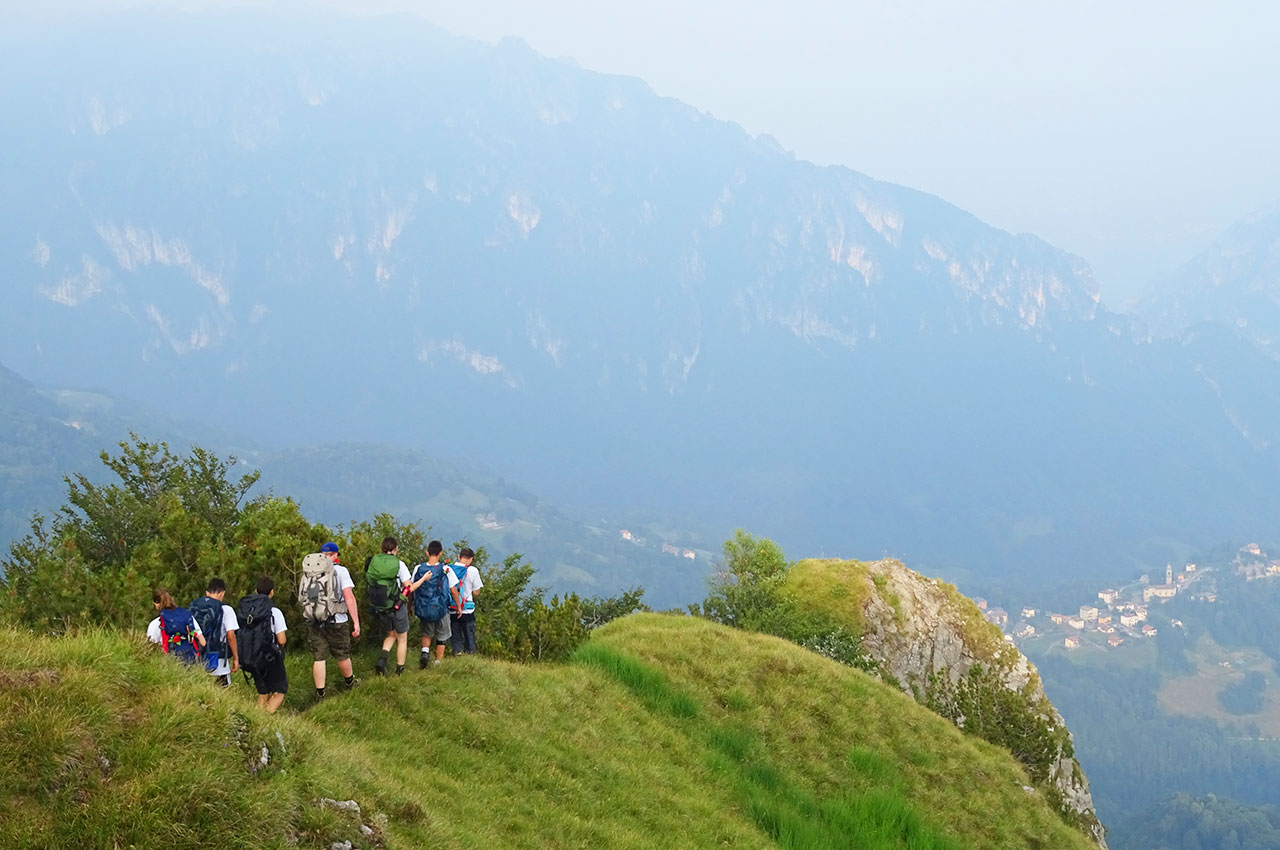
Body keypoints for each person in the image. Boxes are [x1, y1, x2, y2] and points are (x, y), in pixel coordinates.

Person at [301, 542, 361, 698]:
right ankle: (350, 683)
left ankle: (320, 694)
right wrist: (356, 622)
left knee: (319, 657)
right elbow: (348, 596)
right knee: (342, 654)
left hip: (315, 619)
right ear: (335, 555)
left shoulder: (310, 571)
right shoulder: (341, 571)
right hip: (337, 620)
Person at [238, 576, 288, 713]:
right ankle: (265, 718)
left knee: (263, 691)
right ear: (272, 592)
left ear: (256, 590)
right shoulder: (274, 612)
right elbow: (282, 639)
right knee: (279, 691)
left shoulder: (248, 611)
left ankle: (257, 719)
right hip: (270, 657)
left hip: (251, 656)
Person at [411, 540, 462, 669]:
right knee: (442, 635)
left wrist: (409, 606)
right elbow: (453, 590)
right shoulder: (446, 569)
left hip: (424, 607)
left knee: (426, 632)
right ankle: (437, 662)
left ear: (427, 552)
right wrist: (458, 606)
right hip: (441, 608)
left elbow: (412, 588)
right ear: (440, 553)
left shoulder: (419, 568)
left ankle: (425, 652)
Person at [367, 536, 412, 676]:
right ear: (395, 549)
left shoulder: (374, 561)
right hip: (397, 605)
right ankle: (399, 670)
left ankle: (382, 660)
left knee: (391, 634)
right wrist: (423, 580)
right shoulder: (399, 564)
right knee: (402, 638)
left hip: (381, 606)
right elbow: (408, 586)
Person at [190, 577, 240, 687]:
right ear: (222, 593)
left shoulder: (196, 606)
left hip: (197, 656)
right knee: (222, 695)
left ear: (207, 593)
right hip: (219, 659)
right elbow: (231, 636)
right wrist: (236, 658)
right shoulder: (226, 610)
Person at [147, 588, 206, 664]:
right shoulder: (188, 617)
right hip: (189, 661)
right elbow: (203, 642)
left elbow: (151, 649)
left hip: (168, 664)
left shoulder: (155, 624)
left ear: (156, 604)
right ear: (172, 600)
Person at [447, 547, 483, 655]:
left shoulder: (449, 569)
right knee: (469, 635)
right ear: (471, 559)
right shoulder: (473, 570)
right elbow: (477, 592)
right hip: (467, 609)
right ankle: (470, 655)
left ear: (459, 557)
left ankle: (457, 653)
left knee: (456, 635)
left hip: (452, 607)